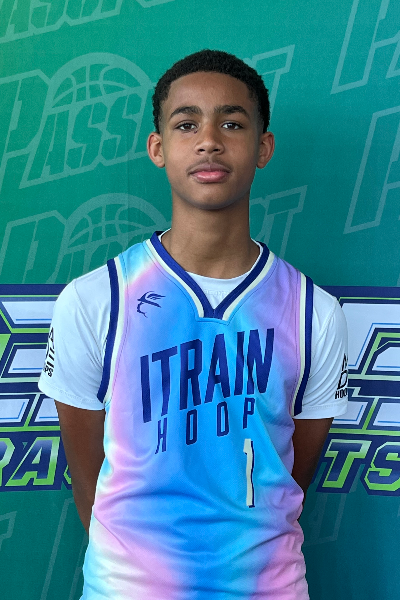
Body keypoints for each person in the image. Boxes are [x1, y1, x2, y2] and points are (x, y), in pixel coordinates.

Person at [39, 49, 348, 599]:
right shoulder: (95, 300)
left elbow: (290, 476)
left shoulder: (313, 311)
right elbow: (89, 479)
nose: (209, 141)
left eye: (232, 123)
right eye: (186, 124)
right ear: (158, 148)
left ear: (263, 147)